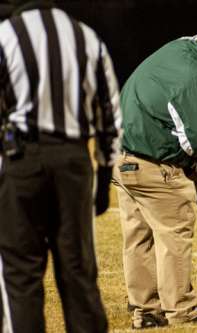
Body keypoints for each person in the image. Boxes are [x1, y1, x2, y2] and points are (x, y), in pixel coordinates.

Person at [112, 25, 197, 329]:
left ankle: (145, 309)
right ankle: (180, 311)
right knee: (174, 234)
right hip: (155, 163)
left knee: (139, 237)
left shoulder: (179, 49)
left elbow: (181, 103)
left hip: (123, 157)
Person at [0, 0, 120, 332]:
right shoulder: (86, 36)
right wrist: (105, 174)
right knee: (78, 271)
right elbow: (109, 112)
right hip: (73, 161)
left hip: (21, 159)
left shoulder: (7, 34)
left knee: (22, 274)